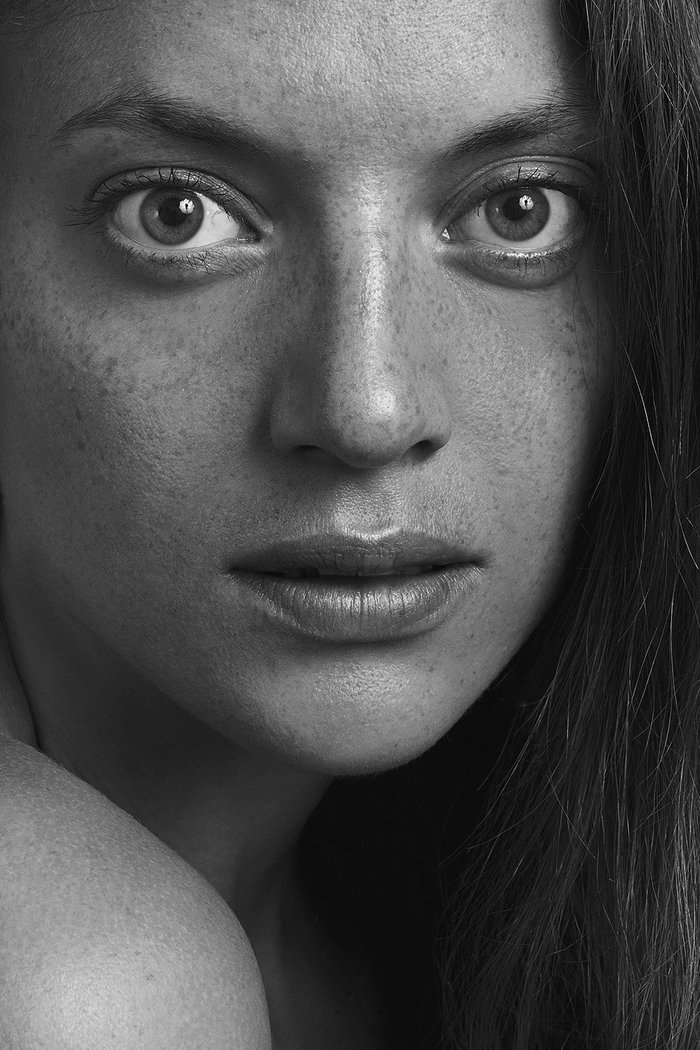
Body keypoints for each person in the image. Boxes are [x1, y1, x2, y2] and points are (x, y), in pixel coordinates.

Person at [0, 0, 697, 1046]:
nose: (368, 411)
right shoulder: (64, 976)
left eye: (521, 212)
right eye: (175, 213)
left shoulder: (435, 903)